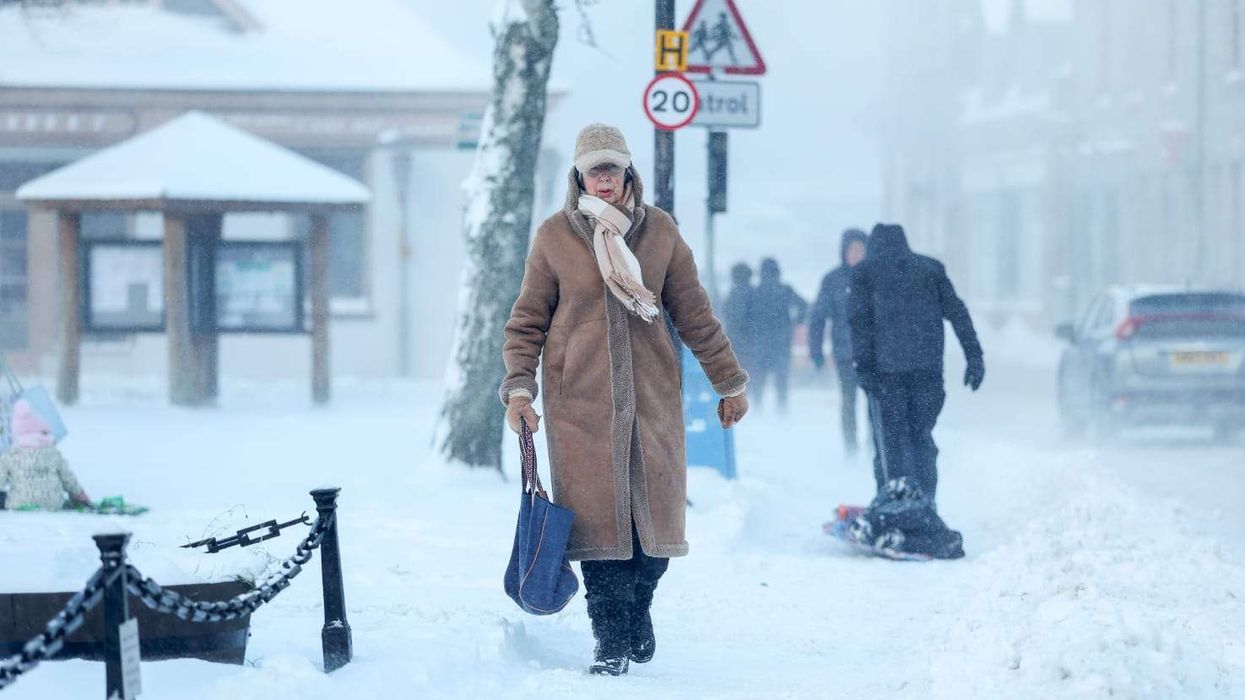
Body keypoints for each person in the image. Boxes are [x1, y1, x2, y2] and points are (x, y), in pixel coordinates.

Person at [500, 124, 750, 676]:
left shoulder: (660, 232)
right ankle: (610, 642)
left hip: (653, 399)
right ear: (579, 177)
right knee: (599, 534)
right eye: (595, 170)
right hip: (580, 406)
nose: (605, 179)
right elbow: (527, 322)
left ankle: (639, 609)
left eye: (612, 168)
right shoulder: (555, 237)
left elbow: (696, 316)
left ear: (628, 171)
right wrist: (519, 389)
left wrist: (729, 382)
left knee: (654, 538)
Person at [847, 223, 983, 559]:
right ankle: (924, 506)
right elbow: (958, 312)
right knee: (921, 439)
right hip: (928, 375)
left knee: (890, 445)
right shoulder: (930, 270)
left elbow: (859, 323)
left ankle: (895, 509)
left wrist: (863, 369)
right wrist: (974, 356)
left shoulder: (865, 272)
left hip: (886, 377)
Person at [808, 229, 868, 454]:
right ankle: (851, 448)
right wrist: (816, 351)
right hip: (845, 353)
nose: (856, 254)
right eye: (852, 250)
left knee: (875, 403)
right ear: (843, 252)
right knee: (849, 402)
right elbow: (817, 318)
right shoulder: (832, 280)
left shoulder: (875, 277)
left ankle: (876, 448)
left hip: (873, 353)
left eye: (860, 250)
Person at [0, 399, 90, 511]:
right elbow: (68, 479)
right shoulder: (53, 453)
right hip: (53, 504)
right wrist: (80, 495)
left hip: (19, 503)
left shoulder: (11, 456)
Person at [749, 258, 807, 413]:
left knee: (759, 379)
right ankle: (782, 409)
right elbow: (803, 305)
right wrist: (796, 322)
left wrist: (752, 331)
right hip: (781, 342)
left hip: (760, 342)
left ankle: (757, 409)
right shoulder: (785, 290)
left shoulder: (755, 291)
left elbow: (746, 316)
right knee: (781, 379)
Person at [722, 262, 756, 372]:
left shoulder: (734, 293)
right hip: (751, 339)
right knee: (750, 369)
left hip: (736, 338)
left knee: (738, 368)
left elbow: (727, 313)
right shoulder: (753, 292)